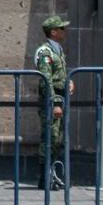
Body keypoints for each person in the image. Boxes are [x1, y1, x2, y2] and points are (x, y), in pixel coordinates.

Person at [34, 15, 73, 191]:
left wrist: (69, 82)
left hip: (60, 98)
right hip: (51, 100)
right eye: (62, 28)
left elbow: (58, 74)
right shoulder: (45, 52)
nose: (65, 31)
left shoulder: (57, 50)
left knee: (57, 139)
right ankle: (44, 179)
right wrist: (55, 102)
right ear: (54, 32)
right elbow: (46, 80)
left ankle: (53, 175)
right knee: (49, 138)